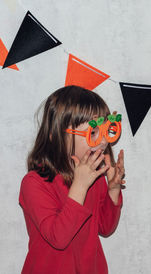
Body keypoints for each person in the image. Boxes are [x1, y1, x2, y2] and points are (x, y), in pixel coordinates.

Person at [19, 85, 125, 274]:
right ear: (56, 136)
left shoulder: (94, 176)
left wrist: (113, 190)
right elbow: (59, 238)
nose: (103, 141)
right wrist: (80, 186)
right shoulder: (34, 183)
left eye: (106, 130)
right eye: (92, 133)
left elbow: (105, 228)